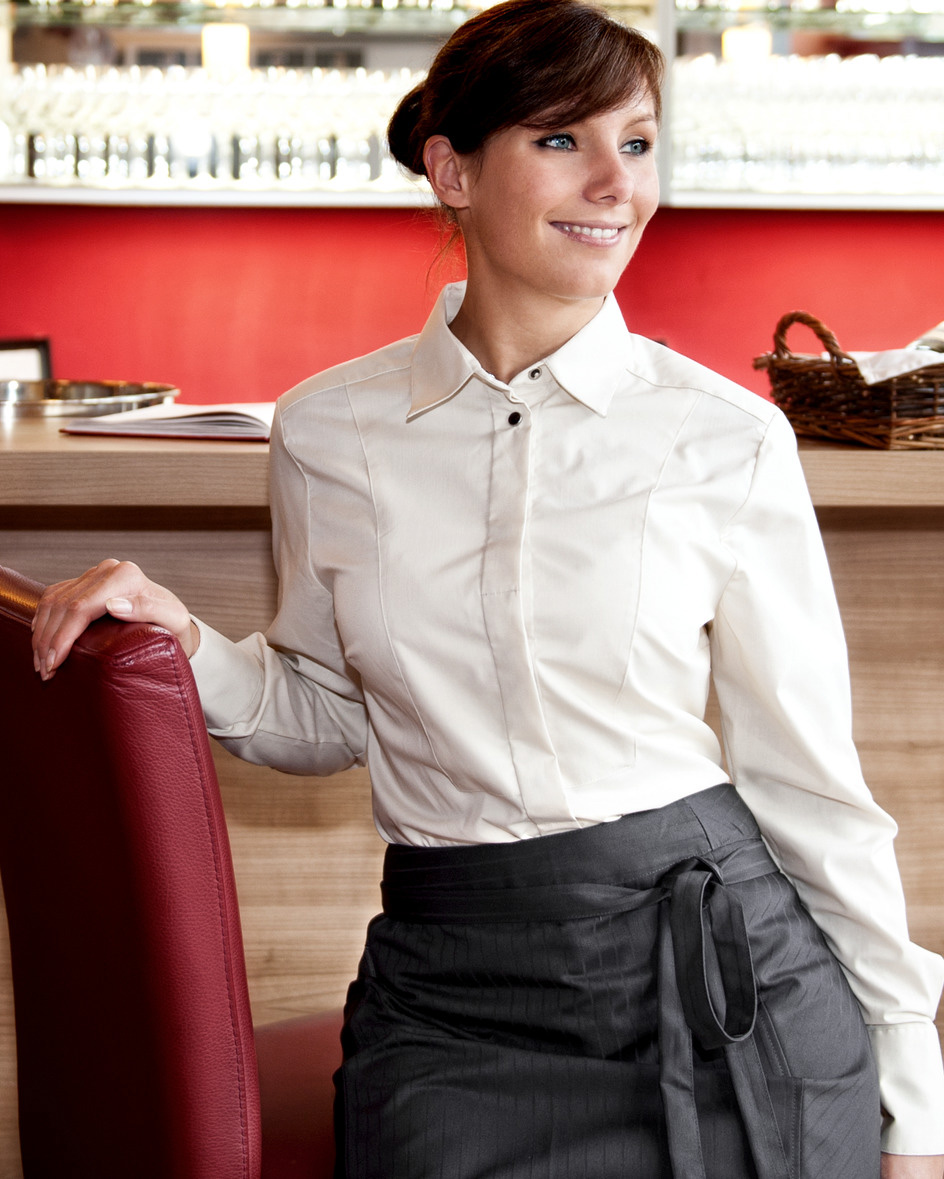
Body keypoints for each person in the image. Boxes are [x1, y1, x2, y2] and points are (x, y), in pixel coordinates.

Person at [30, 2, 944, 1176]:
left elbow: (808, 784)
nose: (615, 184)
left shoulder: (724, 436)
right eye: (562, 139)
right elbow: (329, 710)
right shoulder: (327, 429)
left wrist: (912, 1102)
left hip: (712, 973)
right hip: (449, 993)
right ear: (451, 172)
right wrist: (185, 643)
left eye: (637, 142)